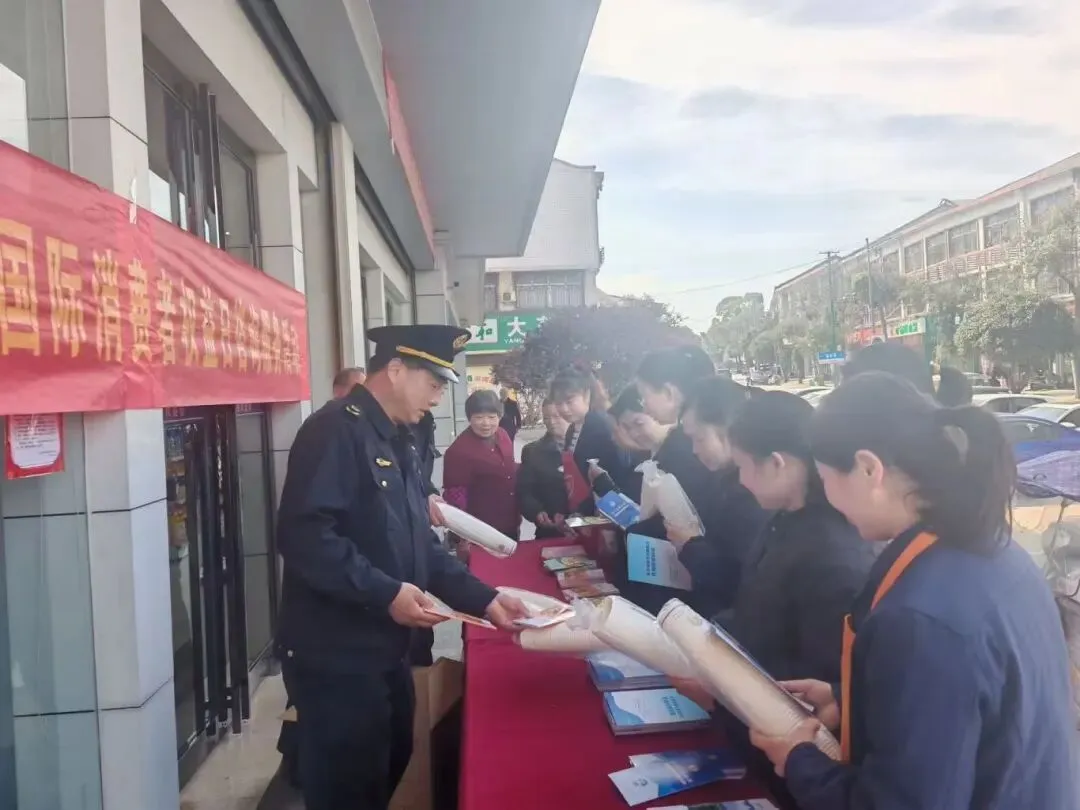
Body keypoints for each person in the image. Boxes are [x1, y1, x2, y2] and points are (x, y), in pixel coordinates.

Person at [749, 372, 1078, 809]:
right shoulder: (995, 551)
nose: (827, 495)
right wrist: (849, 700)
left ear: (869, 468)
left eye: (825, 477)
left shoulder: (920, 619)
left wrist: (798, 759)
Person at [274, 325, 527, 810]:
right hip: (338, 655)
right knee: (350, 789)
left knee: (393, 762)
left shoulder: (399, 438)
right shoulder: (334, 430)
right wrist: (385, 592)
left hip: (388, 647)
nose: (437, 397)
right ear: (394, 370)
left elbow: (419, 544)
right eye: (432, 383)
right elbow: (305, 537)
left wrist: (487, 599)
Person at [679, 391, 875, 810]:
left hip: (794, 762)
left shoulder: (832, 553)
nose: (742, 481)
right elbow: (757, 612)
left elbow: (815, 684)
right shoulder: (782, 521)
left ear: (777, 463)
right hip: (755, 734)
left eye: (744, 467)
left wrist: (720, 690)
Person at [666, 377, 767, 615]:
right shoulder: (722, 478)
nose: (694, 450)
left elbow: (739, 580)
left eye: (700, 438)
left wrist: (690, 545)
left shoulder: (753, 494)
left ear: (728, 430)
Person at [550, 364, 638, 511]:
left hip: (609, 507)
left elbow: (617, 472)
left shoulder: (601, 426)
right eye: (559, 403)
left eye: (569, 401)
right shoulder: (573, 428)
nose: (564, 409)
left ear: (587, 395)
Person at [442, 390, 521, 545]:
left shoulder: (503, 435)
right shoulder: (458, 451)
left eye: (492, 417)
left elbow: (508, 467)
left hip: (510, 521)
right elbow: (455, 498)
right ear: (469, 418)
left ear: (499, 417)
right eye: (479, 417)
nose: (486, 423)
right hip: (480, 531)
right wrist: (462, 537)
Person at [517, 399, 572, 538]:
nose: (551, 422)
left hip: (590, 527)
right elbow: (525, 492)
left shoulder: (591, 447)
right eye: (546, 417)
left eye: (556, 416)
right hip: (551, 530)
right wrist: (537, 512)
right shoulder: (532, 451)